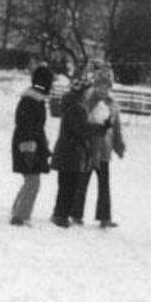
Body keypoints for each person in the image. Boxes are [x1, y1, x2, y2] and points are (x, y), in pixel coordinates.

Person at [49, 72, 97, 227]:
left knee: (66, 184)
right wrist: (96, 129)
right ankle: (61, 215)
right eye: (88, 91)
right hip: (70, 152)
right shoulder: (76, 109)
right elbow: (80, 130)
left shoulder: (73, 106)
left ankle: (60, 212)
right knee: (69, 185)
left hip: (68, 151)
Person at [81, 66, 126, 227]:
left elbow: (116, 126)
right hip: (88, 148)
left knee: (104, 184)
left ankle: (104, 217)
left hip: (105, 150)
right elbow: (82, 121)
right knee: (82, 181)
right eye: (100, 85)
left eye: (106, 86)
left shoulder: (112, 104)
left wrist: (119, 145)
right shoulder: (87, 100)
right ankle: (75, 212)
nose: (103, 89)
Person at [9, 66, 53, 225]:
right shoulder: (31, 101)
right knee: (33, 182)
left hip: (31, 145)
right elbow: (26, 127)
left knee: (30, 180)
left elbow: (36, 127)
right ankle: (20, 216)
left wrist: (44, 147)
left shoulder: (36, 100)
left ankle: (17, 211)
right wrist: (29, 151)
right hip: (26, 146)